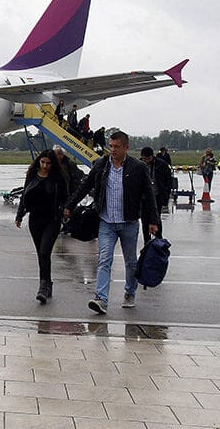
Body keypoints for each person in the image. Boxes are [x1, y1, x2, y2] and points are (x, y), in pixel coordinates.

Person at [63, 131, 159, 314]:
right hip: (106, 222)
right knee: (104, 260)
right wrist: (70, 204)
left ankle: (130, 292)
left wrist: (153, 221)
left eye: (117, 147)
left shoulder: (138, 167)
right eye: (111, 146)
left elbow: (149, 196)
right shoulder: (101, 164)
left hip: (129, 222)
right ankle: (101, 299)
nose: (113, 150)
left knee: (131, 262)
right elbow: (85, 185)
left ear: (126, 147)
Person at [15, 149, 68, 305]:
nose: (45, 166)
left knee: (45, 251)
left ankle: (42, 287)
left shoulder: (58, 177)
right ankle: (47, 282)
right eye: (43, 162)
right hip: (35, 219)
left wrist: (65, 210)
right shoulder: (32, 175)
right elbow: (24, 195)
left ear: (53, 164)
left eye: (48, 163)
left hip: (52, 219)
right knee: (41, 254)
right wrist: (19, 215)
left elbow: (65, 196)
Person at [139, 147, 173, 242]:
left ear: (152, 156)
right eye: (144, 159)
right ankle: (147, 242)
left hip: (157, 196)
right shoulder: (138, 164)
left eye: (148, 158)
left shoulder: (161, 164)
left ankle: (159, 240)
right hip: (143, 198)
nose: (146, 161)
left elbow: (168, 180)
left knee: (156, 218)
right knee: (144, 220)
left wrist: (166, 196)